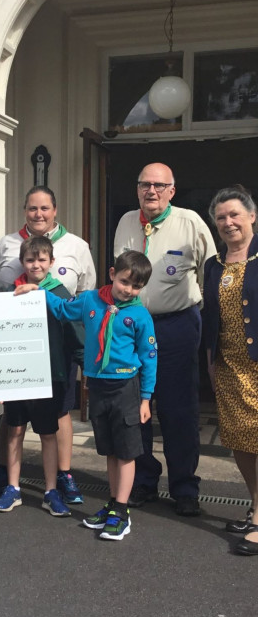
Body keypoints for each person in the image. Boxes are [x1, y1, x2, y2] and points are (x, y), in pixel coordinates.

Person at [17, 250, 156, 541]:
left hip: (125, 387)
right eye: (124, 282)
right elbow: (62, 309)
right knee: (109, 449)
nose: (128, 290)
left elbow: (150, 356)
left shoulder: (139, 315)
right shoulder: (90, 300)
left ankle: (122, 511)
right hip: (98, 386)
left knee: (127, 452)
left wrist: (146, 397)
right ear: (112, 274)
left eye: (136, 286)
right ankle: (113, 501)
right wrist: (38, 290)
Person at [114, 163, 216, 516]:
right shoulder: (127, 221)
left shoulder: (190, 223)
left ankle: (184, 486)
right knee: (136, 408)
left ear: (172, 190)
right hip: (133, 328)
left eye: (159, 185)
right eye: (145, 184)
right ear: (138, 189)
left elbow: (210, 273)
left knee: (178, 409)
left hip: (176, 326)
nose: (151, 191)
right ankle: (144, 481)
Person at [0, 186, 96, 504]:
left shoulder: (76, 246)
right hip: (15, 351)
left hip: (58, 351)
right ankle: (6, 475)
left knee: (60, 413)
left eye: (45, 208)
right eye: (33, 208)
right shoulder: (6, 244)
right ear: (24, 210)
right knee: (12, 417)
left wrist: (85, 355)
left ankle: (63, 476)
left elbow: (84, 296)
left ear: (55, 210)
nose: (39, 214)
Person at [0, 236, 82, 518]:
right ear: (22, 262)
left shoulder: (60, 293)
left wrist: (86, 368)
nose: (36, 265)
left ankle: (51, 490)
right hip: (16, 375)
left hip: (50, 375)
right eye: (30, 260)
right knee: (15, 429)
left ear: (52, 262)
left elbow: (75, 333)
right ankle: (13, 487)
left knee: (47, 433)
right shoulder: (9, 292)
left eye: (42, 260)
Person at [201, 186, 258, 555]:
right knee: (239, 439)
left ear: (252, 216)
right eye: (221, 217)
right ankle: (255, 507)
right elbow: (210, 317)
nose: (228, 222)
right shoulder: (213, 264)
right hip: (226, 365)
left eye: (235, 214)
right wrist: (209, 361)